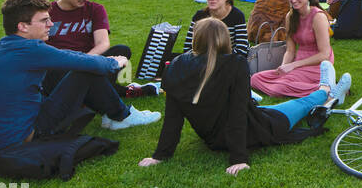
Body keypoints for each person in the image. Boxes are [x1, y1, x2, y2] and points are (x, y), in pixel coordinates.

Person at [143, 17, 351, 176]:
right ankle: (326, 90)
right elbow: (237, 113)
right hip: (253, 129)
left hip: (217, 136)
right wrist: (238, 158)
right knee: (299, 105)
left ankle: (327, 90)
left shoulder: (177, 65)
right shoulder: (234, 64)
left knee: (279, 108)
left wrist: (160, 156)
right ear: (225, 39)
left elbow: (173, 118)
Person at [0, 0, 160, 170]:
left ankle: (114, 113)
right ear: (23, 26)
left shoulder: (6, 45)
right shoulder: (29, 50)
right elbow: (82, 62)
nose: (51, 24)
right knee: (85, 71)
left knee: (74, 68)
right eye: (44, 21)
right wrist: (115, 62)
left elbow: (68, 57)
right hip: (23, 139)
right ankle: (121, 115)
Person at [250, 0, 336, 96]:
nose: (294, 0)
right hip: (297, 63)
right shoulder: (290, 17)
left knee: (278, 88)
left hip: (317, 65)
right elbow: (290, 50)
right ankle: (322, 87)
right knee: (255, 78)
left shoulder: (318, 17)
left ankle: (327, 90)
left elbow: (324, 54)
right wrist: (284, 67)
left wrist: (293, 65)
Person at [182, 0, 250, 56]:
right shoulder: (199, 16)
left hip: (229, 60)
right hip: (203, 60)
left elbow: (242, 49)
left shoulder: (237, 16)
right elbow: (188, 48)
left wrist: (217, 59)